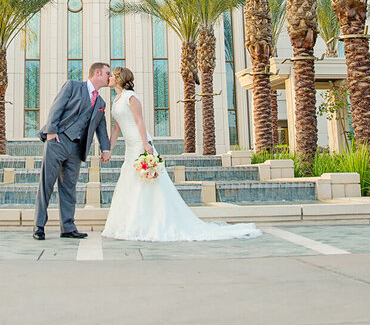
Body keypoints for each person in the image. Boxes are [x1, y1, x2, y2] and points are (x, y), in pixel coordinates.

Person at [102, 66, 261, 242]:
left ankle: (150, 224)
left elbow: (140, 121)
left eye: (111, 76)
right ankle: (128, 224)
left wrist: (146, 144)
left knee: (146, 185)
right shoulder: (116, 100)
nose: (108, 78)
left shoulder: (131, 97)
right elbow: (116, 128)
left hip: (140, 145)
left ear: (118, 78)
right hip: (129, 148)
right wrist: (108, 148)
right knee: (129, 183)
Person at [32, 61, 112, 240]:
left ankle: (67, 227)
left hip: (77, 148)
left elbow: (101, 128)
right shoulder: (73, 86)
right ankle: (39, 226)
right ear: (97, 73)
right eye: (108, 73)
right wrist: (51, 132)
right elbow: (56, 108)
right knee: (46, 184)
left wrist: (105, 149)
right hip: (58, 141)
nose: (110, 77)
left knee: (69, 188)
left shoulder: (101, 102)